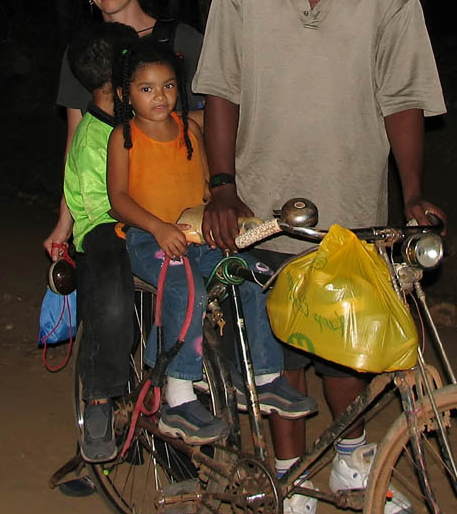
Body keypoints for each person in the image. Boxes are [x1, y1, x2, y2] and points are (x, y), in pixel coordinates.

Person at [194, 0, 446, 514]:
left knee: (346, 344)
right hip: (266, 207)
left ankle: (351, 458)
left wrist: (414, 192)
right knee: (283, 354)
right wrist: (222, 185)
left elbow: (403, 96)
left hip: (351, 200)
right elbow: (221, 87)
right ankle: (292, 488)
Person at [107, 42, 317, 444]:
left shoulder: (189, 130)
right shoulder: (124, 137)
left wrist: (234, 216)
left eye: (169, 86)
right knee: (187, 290)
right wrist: (158, 228)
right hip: (148, 238)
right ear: (125, 94)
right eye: (146, 88)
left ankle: (266, 377)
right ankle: (178, 399)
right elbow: (118, 200)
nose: (160, 96)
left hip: (194, 235)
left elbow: (206, 187)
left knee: (252, 274)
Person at [43, 0, 204, 259]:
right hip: (116, 212)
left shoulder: (180, 40)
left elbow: (218, 116)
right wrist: (64, 223)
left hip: (184, 201)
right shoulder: (84, 54)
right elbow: (76, 144)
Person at [62, 20, 140, 462]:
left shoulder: (137, 122)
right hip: (104, 228)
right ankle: (98, 396)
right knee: (109, 282)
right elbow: (102, 207)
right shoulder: (93, 136)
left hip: (139, 223)